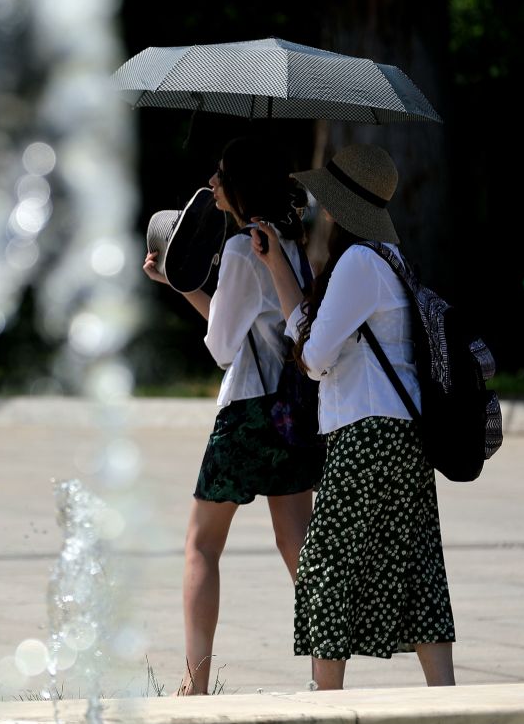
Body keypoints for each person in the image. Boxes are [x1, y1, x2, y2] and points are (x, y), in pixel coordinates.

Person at [251, 143, 455, 691]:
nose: (320, 209)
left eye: (327, 201)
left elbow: (314, 357)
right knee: (416, 568)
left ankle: (327, 699)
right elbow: (316, 334)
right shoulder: (388, 256)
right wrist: (276, 263)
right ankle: (446, 698)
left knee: (326, 566)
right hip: (402, 433)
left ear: (341, 207)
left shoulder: (359, 262)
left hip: (365, 434)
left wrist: (313, 347)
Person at [143, 136, 325, 694]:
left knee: (202, 545)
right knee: (296, 542)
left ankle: (196, 683)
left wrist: (185, 287)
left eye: (221, 176)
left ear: (241, 186)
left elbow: (224, 346)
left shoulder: (246, 250)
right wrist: (186, 286)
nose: (213, 185)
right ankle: (327, 671)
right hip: (294, 413)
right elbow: (250, 326)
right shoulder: (289, 243)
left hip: (247, 411)